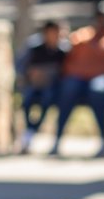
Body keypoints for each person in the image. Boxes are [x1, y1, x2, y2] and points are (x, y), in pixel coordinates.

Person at [50, 0, 104, 158]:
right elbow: (68, 59)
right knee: (68, 88)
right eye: (99, 16)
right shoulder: (82, 36)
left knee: (98, 89)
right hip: (79, 78)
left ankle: (103, 141)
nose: (101, 20)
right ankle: (57, 139)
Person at [15, 20, 69, 154]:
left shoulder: (65, 50)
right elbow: (20, 66)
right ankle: (29, 132)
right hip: (33, 84)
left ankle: (30, 133)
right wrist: (29, 74)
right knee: (27, 101)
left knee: (47, 100)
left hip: (52, 87)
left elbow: (67, 71)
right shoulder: (33, 47)